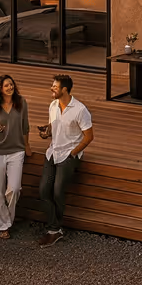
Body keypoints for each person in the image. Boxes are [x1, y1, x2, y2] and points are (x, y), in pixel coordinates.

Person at [38, 74, 93, 247]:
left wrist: (72, 153)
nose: (51, 89)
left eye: (55, 86)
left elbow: (89, 137)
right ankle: (55, 229)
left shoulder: (80, 110)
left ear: (65, 90)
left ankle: (54, 229)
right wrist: (47, 133)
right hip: (52, 152)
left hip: (69, 155)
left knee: (57, 191)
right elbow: (54, 128)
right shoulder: (53, 105)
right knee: (43, 190)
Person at [0, 74, 29, 240]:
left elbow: (25, 126)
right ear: (0, 89)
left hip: (17, 151)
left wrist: (27, 146)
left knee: (14, 189)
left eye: (11, 84)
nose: (10, 87)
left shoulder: (21, 103)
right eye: (6, 86)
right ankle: (3, 226)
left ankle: (7, 219)